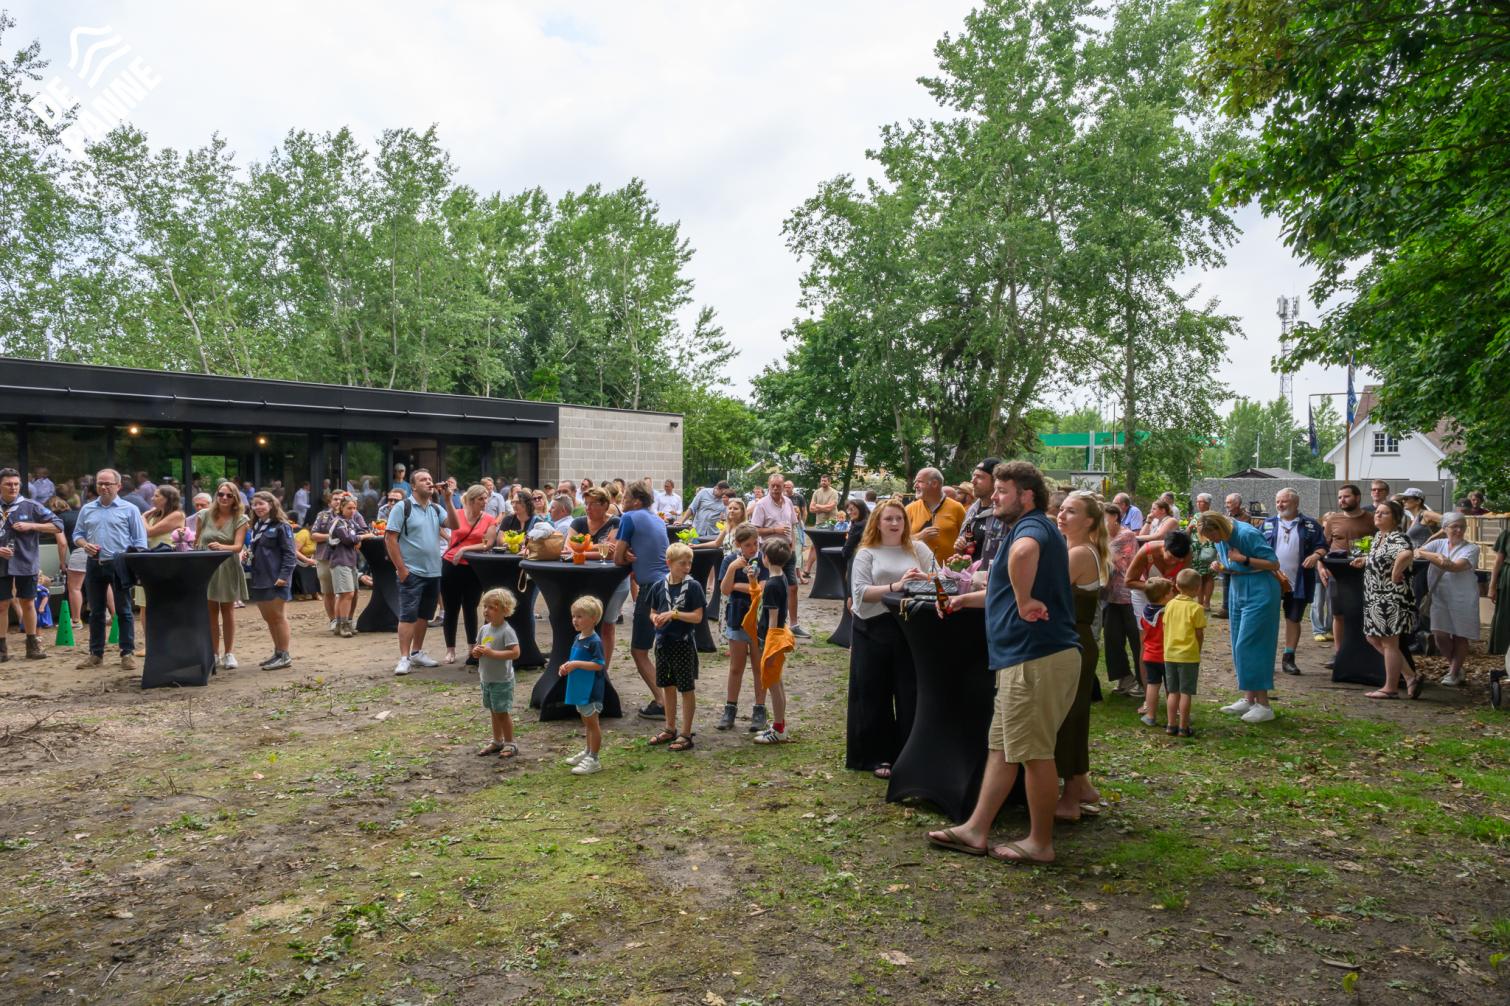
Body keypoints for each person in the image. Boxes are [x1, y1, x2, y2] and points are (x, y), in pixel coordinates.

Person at [929, 461, 1081, 866]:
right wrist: (964, 599)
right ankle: (976, 829)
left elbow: (1022, 555)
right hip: (1025, 659)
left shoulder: (1031, 528)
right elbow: (1003, 588)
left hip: (1036, 658)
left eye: (1002, 490)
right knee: (1002, 748)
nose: (994, 497)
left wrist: (1026, 600)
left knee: (1034, 753)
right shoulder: (1032, 526)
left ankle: (1040, 842)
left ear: (1026, 495)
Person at [847, 498, 934, 778]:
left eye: (899, 518)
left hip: (911, 627)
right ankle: (878, 755)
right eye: (889, 519)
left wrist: (924, 579)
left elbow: (941, 582)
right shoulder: (866, 553)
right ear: (878, 523)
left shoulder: (918, 549)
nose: (895, 523)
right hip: (873, 628)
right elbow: (860, 594)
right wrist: (897, 585)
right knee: (874, 692)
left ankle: (909, 753)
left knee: (909, 691)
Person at [1052, 490, 1109, 821]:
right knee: (1069, 717)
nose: (1062, 515)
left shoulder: (1078, 554)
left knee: (1069, 721)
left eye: (1071, 511)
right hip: (1071, 639)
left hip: (1074, 641)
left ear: (1088, 521)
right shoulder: (1074, 549)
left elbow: (1047, 590)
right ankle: (1082, 786)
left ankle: (1071, 800)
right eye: (1061, 509)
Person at [1199, 511, 1282, 722]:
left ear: (1220, 527)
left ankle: (1264, 705)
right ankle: (1249, 699)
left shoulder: (1247, 534)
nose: (1213, 541)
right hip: (1238, 589)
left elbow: (1273, 563)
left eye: (1213, 536)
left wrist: (1242, 559)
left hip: (1260, 589)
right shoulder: (1220, 538)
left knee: (1251, 645)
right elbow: (1231, 564)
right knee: (1238, 643)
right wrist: (1222, 566)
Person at [614, 480, 672, 718]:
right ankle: (668, 700)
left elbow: (617, 558)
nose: (622, 502)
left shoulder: (629, 518)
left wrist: (626, 555)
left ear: (636, 501)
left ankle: (662, 702)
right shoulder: (658, 519)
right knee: (663, 648)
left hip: (649, 590)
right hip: (667, 585)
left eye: (625, 498)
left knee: (639, 651)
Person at [1353, 498, 1419, 698]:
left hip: (1391, 598)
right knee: (1372, 638)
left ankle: (1390, 688)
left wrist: (1396, 572)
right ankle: (1410, 677)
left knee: (1390, 642)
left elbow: (1406, 554)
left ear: (1396, 518)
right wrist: (1365, 559)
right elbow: (1384, 557)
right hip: (1374, 597)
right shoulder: (1379, 537)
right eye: (1377, 512)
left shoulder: (1397, 537)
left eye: (1384, 513)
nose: (1378, 515)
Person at [646, 542, 706, 752]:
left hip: (683, 643)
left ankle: (686, 734)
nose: (687, 567)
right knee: (667, 686)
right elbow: (653, 611)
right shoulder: (658, 586)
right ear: (669, 563)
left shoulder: (693, 586)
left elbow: (698, 617)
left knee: (686, 688)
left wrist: (675, 614)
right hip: (663, 643)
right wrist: (655, 618)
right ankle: (670, 728)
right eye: (682, 563)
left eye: (689, 563)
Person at [385, 469, 446, 676]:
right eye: (423, 479)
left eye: (430, 479)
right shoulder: (402, 507)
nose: (429, 482)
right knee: (408, 615)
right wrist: (401, 569)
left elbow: (455, 525)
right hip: (412, 572)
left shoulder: (436, 508)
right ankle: (404, 658)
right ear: (413, 486)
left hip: (433, 571)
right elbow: (390, 539)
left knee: (424, 615)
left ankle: (417, 652)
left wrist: (448, 498)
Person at [1261, 488, 1328, 676]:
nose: (1280, 505)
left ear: (1296, 503)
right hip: (1270, 580)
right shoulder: (1267, 523)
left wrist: (1316, 555)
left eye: (1284, 501)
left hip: (1298, 582)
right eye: (1278, 501)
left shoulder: (1311, 525)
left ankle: (1288, 658)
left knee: (1293, 618)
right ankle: (1265, 659)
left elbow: (1322, 546)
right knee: (1266, 619)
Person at [0, 468, 65, 661]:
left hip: (26, 562)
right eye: (8, 484)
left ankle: (32, 644)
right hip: (1, 564)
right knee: (2, 605)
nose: (13, 487)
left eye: (16, 484)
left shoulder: (31, 506)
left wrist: (33, 525)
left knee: (28, 603)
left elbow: (58, 525)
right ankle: (2, 649)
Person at [1316, 484, 1376, 663]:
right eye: (1340, 497)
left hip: (1364, 574)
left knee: (1363, 614)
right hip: (1337, 575)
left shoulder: (1372, 519)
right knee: (1338, 614)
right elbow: (1322, 547)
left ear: (1357, 497)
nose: (1342, 500)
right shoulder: (1333, 520)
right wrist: (1321, 567)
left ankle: (1364, 655)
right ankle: (1340, 655)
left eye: (1346, 496)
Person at [195, 480, 250, 670]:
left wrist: (221, 546)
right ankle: (213, 653)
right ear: (216, 495)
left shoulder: (240, 518)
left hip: (227, 566)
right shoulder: (203, 515)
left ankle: (229, 653)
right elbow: (197, 542)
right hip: (206, 567)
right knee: (210, 612)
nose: (224, 498)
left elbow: (238, 546)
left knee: (228, 610)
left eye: (228, 495)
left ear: (235, 498)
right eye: (220, 494)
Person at [440, 484, 497, 666]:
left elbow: (488, 544)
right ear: (471, 500)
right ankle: (450, 649)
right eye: (481, 498)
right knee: (451, 608)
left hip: (474, 567)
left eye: (486, 498)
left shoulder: (489, 519)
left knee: (470, 607)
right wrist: (449, 540)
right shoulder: (457, 514)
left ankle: (472, 647)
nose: (485, 502)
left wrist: (464, 549)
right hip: (451, 564)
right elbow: (439, 525)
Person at [716, 523, 766, 732]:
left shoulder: (763, 560)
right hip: (736, 618)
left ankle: (760, 709)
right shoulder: (729, 561)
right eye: (748, 545)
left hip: (757, 620)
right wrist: (732, 570)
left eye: (755, 544)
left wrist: (739, 585)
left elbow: (760, 589)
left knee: (758, 667)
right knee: (736, 667)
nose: (753, 548)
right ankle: (730, 709)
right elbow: (724, 589)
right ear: (738, 544)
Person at [1419, 511, 1478, 686]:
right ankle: (1456, 667)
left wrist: (1428, 555)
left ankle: (1453, 672)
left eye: (1462, 527)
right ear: (1444, 528)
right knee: (1439, 635)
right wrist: (1437, 556)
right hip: (1439, 596)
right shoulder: (1438, 544)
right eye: (1454, 527)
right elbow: (1416, 551)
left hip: (1463, 597)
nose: (1459, 530)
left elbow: (1453, 567)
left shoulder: (1471, 548)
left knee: (1460, 635)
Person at [749, 472, 807, 638]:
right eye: (772, 485)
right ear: (768, 486)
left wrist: (793, 547)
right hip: (769, 552)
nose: (775, 488)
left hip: (787, 551)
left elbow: (793, 525)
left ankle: (794, 624)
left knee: (793, 586)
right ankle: (767, 623)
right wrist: (775, 530)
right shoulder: (762, 504)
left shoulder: (788, 502)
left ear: (783, 487)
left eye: (778, 486)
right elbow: (755, 529)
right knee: (769, 586)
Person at [751, 538, 795, 744]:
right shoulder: (781, 578)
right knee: (778, 683)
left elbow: (773, 620)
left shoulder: (771, 585)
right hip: (776, 637)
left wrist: (769, 649)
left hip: (773, 639)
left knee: (774, 685)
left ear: (765, 558)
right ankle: (780, 725)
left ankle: (778, 729)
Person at [246, 491, 296, 670]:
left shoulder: (282, 526)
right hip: (259, 577)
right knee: (268, 618)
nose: (258, 507)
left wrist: (284, 576)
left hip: (276, 578)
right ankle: (277, 653)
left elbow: (290, 554)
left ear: (271, 504)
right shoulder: (257, 526)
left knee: (278, 617)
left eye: (261, 503)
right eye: (255, 504)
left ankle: (284, 655)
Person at [472, 588, 522, 759]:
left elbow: (515, 653)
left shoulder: (506, 630)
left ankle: (510, 743)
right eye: (485, 606)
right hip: (486, 678)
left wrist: (492, 653)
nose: (486, 611)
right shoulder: (484, 629)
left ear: (504, 610)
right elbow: (478, 648)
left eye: (492, 607)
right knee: (493, 711)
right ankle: (497, 740)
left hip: (502, 680)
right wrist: (476, 653)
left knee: (502, 712)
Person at [561, 595, 608, 775]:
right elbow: (575, 660)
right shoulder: (578, 638)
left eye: (580, 616)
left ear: (594, 619)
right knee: (586, 722)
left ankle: (594, 759)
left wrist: (576, 664)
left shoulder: (595, 642)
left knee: (593, 724)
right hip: (579, 687)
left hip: (590, 690)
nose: (575, 620)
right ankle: (588, 751)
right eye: (574, 616)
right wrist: (566, 666)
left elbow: (599, 665)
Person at [1102, 503, 1141, 697]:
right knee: (1112, 639)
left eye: (1105, 517)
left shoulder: (1126, 536)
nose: (1101, 522)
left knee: (1136, 640)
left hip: (1128, 596)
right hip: (1110, 597)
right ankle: (1124, 677)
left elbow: (1115, 561)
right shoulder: (1101, 537)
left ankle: (1143, 681)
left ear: (1115, 517)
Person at [1162, 568, 1207, 737]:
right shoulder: (1196, 608)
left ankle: (1170, 724)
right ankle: (1183, 727)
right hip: (1188, 656)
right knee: (1186, 692)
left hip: (1170, 654)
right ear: (1197, 588)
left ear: (1177, 586)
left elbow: (1165, 627)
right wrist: (1198, 649)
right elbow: (1199, 634)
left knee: (1173, 692)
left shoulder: (1170, 605)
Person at [905, 467, 967, 567]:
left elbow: (968, 536)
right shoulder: (909, 509)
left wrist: (963, 543)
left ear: (934, 483)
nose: (915, 486)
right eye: (915, 482)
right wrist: (918, 537)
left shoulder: (957, 508)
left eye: (919, 482)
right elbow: (898, 541)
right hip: (918, 571)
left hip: (950, 571)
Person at [1136, 578, 1174, 728]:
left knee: (1152, 685)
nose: (1173, 593)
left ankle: (1150, 715)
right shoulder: (1167, 613)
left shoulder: (1145, 612)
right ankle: (1173, 716)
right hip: (1166, 656)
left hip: (1149, 656)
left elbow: (1143, 632)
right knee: (1171, 687)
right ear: (1164, 596)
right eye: (1171, 591)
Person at [955, 458, 1005, 569]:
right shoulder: (972, 511)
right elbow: (969, 544)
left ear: (995, 482)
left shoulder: (1005, 514)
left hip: (989, 577)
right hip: (968, 576)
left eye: (980, 477)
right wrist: (961, 549)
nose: (973, 481)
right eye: (973, 476)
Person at [326, 495, 363, 637]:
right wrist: (361, 538)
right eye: (349, 508)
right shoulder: (338, 522)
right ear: (341, 508)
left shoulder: (351, 522)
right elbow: (348, 539)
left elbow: (362, 530)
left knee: (349, 594)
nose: (352, 511)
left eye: (354, 508)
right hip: (340, 561)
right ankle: (343, 625)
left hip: (351, 561)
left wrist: (360, 536)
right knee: (347, 594)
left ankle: (342, 624)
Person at [1491, 514, 1510, 657]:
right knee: (1505, 611)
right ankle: (1503, 646)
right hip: (1508, 576)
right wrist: (1492, 586)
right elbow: (1498, 561)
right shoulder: (1506, 535)